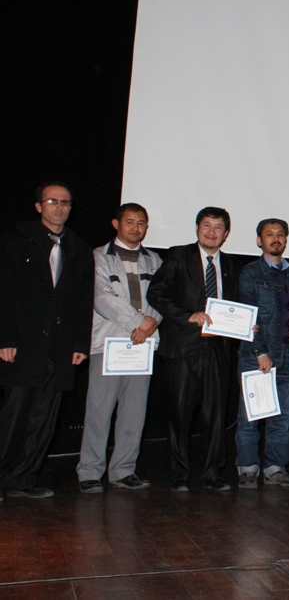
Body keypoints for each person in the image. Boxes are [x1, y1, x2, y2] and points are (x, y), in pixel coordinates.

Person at [0, 182, 93, 499]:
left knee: (43, 420)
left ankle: (23, 480)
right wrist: (6, 337)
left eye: (65, 202)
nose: (59, 207)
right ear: (39, 206)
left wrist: (80, 344)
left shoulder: (78, 248)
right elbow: (5, 292)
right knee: (13, 417)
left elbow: (83, 302)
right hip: (23, 347)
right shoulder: (15, 241)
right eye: (53, 201)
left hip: (60, 349)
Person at [149, 206, 241, 491]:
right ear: (197, 228)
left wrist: (246, 325)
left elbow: (236, 305)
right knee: (180, 415)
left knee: (216, 416)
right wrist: (187, 316)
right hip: (182, 348)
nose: (212, 232)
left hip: (218, 349)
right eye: (207, 225)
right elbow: (156, 292)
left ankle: (213, 474)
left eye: (218, 227)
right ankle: (179, 475)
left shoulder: (231, 264)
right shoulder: (178, 256)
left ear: (226, 234)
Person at [77, 203, 162, 494]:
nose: (135, 227)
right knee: (98, 411)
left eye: (141, 222)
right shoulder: (98, 257)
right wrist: (138, 322)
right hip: (108, 343)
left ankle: (124, 470)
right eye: (129, 221)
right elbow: (101, 297)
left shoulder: (155, 260)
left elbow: (163, 297)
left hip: (143, 345)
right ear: (116, 224)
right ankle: (90, 471)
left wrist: (150, 324)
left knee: (134, 412)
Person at [234, 218, 289, 489]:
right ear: (259, 240)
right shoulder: (250, 273)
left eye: (280, 234)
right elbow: (248, 316)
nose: (276, 238)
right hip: (257, 355)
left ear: (286, 240)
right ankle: (247, 468)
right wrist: (260, 351)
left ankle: (275, 468)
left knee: (282, 418)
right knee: (250, 416)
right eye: (269, 234)